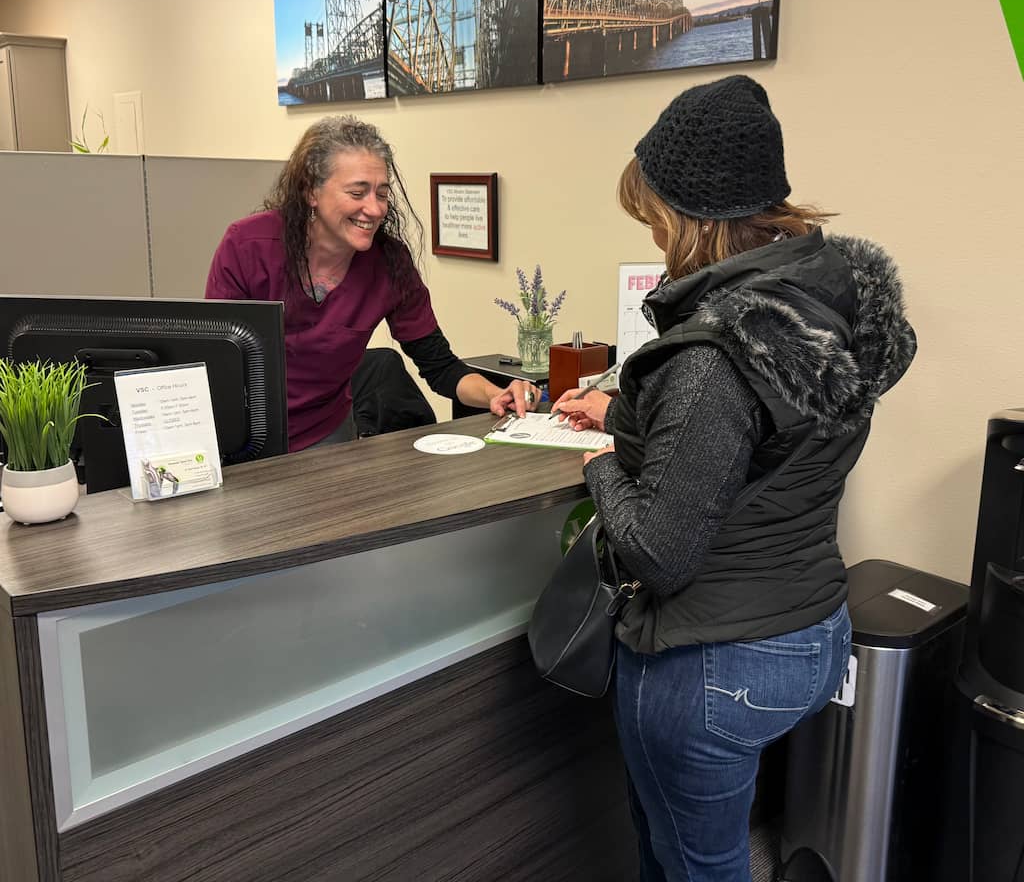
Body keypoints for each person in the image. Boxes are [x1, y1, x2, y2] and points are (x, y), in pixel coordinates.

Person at [551, 75, 916, 881]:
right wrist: (620, 410)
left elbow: (657, 550)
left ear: (693, 218)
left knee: (694, 864)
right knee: (686, 854)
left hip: (712, 662)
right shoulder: (822, 303)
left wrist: (606, 468)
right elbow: (761, 443)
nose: (653, 237)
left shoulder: (714, 354)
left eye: (653, 218)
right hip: (813, 630)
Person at [206, 116, 536, 451]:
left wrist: (496, 393)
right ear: (311, 191)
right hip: (242, 439)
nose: (374, 209)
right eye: (357, 192)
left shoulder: (390, 263)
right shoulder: (248, 246)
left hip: (326, 436)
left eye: (382, 193)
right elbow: (217, 364)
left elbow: (440, 367)